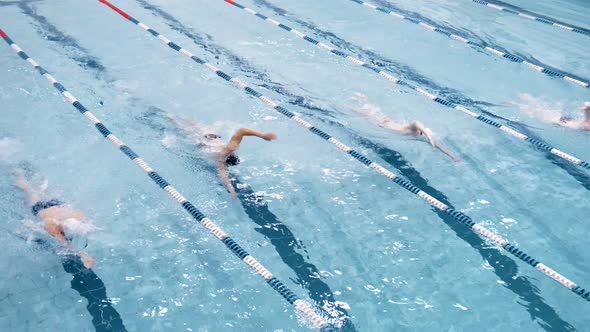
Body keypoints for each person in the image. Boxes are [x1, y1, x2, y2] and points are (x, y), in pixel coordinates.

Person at [167, 113, 277, 198]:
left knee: (195, 125)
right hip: (201, 143)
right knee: (183, 130)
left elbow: (242, 131)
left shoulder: (230, 148)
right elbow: (223, 176)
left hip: (211, 136)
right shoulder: (220, 161)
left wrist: (263, 135)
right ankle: (172, 119)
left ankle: (181, 116)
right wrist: (231, 190)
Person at [14, 168, 94, 268]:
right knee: (28, 190)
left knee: (41, 192)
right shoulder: (52, 225)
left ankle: (31, 181)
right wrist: (84, 255)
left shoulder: (77, 216)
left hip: (56, 204)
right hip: (39, 207)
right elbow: (65, 245)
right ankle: (18, 174)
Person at [349, 93, 460, 161]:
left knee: (369, 111)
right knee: (363, 112)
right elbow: (416, 122)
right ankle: (359, 101)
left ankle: (363, 100)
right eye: (420, 132)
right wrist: (428, 135)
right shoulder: (413, 129)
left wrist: (452, 156)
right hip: (383, 123)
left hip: (387, 122)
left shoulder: (417, 135)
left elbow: (438, 146)